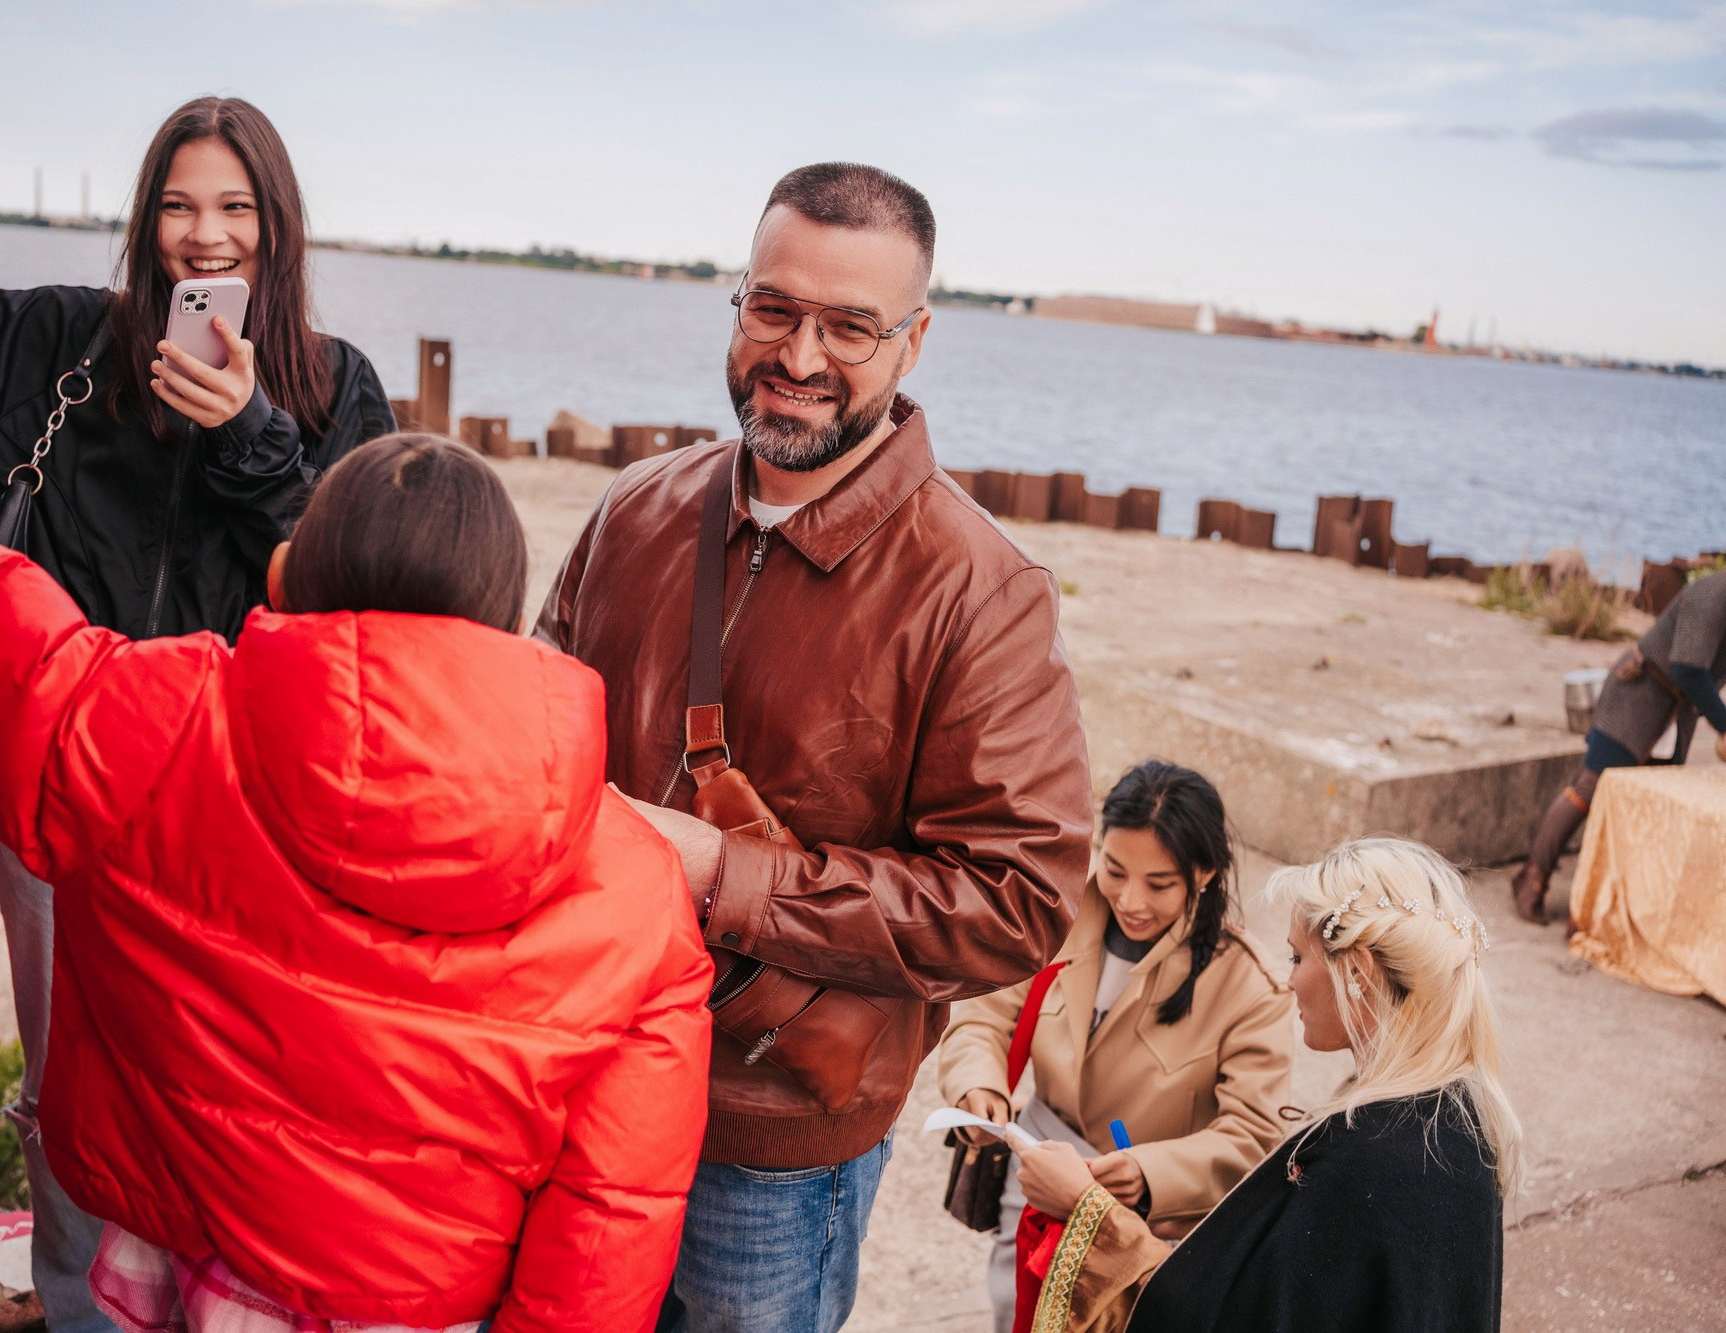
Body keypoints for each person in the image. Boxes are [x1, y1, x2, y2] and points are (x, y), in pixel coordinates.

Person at [0, 434, 712, 1333]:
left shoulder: (152, 723)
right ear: (502, 620)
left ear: (286, 575)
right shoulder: (636, 891)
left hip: (193, 1253)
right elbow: (612, 1212)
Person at [537, 162, 1093, 1333]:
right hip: (565, 1070)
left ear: (913, 341)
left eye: (849, 326)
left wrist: (720, 872)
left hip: (770, 1138)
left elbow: (1017, 899)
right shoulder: (634, 506)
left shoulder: (982, 591)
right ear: (735, 299)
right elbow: (535, 750)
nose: (797, 356)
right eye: (773, 309)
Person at [0, 96, 395, 1327]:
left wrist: (250, 434)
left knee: (220, 1080)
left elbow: (363, 600)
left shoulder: (337, 387)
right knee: (65, 1076)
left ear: (276, 227)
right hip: (53, 789)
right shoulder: (57, 344)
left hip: (235, 808)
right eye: (179, 205)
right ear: (144, 222)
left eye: (234, 207)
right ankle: (85, 1298)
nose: (205, 236)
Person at [1012, 838, 1522, 1333]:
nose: (1289, 980)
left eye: (1298, 958)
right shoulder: (1455, 1113)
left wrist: (1088, 1210)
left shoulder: (1364, 1159)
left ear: (1358, 971)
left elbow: (1226, 1319)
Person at [937, 760, 1293, 1333]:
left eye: (1159, 885)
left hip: (1142, 1217)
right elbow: (987, 1012)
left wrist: (1149, 1172)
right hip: (1036, 1170)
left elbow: (1251, 1135)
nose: (1130, 901)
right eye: (1115, 869)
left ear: (1204, 873)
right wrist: (978, 1085)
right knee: (1014, 1310)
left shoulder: (1251, 986)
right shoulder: (1059, 913)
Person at [1513, 568, 1726, 922]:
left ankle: (1614, 904)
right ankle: (1531, 878)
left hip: (1677, 712)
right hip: (1637, 695)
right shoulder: (1712, 593)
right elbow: (1688, 668)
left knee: (1648, 804)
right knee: (1588, 788)